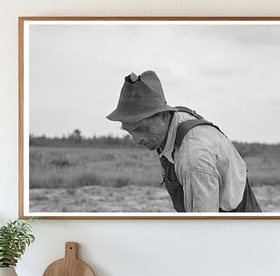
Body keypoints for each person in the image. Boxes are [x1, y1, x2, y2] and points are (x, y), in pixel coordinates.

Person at [106, 70, 261, 213]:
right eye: (128, 131)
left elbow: (204, 228)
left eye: (141, 129)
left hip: (238, 230)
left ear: (163, 116)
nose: (136, 139)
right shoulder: (174, 122)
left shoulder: (193, 159)